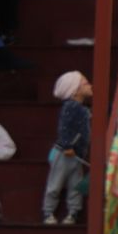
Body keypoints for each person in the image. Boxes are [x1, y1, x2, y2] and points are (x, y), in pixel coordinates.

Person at [44, 71, 92, 226]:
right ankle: (48, 211)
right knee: (55, 183)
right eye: (85, 83)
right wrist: (68, 145)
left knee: (75, 184)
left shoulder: (82, 108)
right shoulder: (70, 107)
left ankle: (73, 212)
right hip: (64, 153)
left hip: (76, 155)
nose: (90, 85)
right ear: (75, 90)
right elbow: (64, 127)